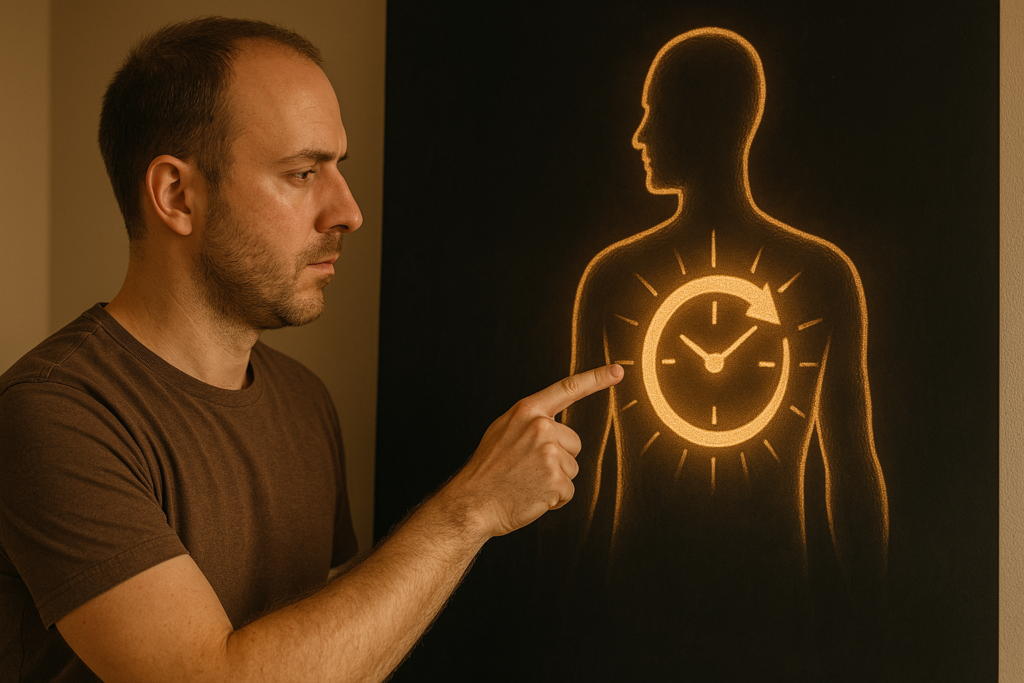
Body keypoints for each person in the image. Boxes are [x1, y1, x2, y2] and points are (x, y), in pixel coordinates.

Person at [0, 17, 621, 682]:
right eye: (302, 173)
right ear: (177, 195)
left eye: (337, 169)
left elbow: (330, 654)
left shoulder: (303, 401)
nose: (348, 211)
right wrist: (471, 509)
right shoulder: (53, 415)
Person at [534, 28, 889, 680]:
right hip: (733, 611)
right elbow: (855, 473)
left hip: (670, 610)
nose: (638, 135)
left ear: (703, 120)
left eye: (653, 112)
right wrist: (871, 624)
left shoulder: (616, 277)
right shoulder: (821, 273)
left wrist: (558, 615)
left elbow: (853, 473)